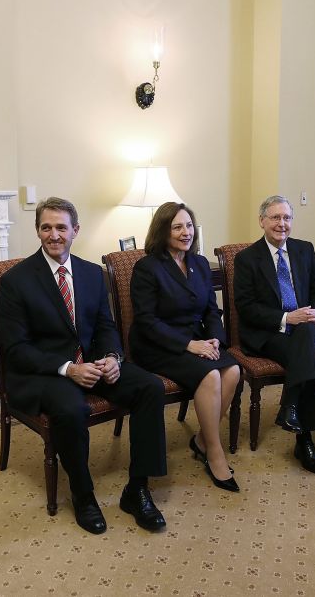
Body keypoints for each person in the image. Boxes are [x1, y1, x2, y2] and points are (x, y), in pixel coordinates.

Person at [0, 197, 169, 535]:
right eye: (46, 227)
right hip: (45, 372)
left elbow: (106, 326)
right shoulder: (16, 281)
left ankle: (137, 489)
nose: (54, 234)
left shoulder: (92, 273)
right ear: (37, 231)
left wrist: (112, 358)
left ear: (75, 230)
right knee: (71, 409)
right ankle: (83, 493)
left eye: (61, 227)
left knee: (150, 387)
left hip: (92, 362)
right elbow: (15, 349)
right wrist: (67, 368)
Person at [130, 202, 241, 493]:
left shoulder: (200, 263)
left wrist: (215, 338)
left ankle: (202, 440)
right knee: (211, 375)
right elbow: (146, 321)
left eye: (189, 225)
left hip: (197, 340)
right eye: (177, 226)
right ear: (163, 230)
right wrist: (190, 345)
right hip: (158, 345)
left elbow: (210, 311)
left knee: (232, 370)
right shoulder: (147, 267)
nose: (185, 232)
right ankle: (214, 452)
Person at [233, 195, 315, 476]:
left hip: (303, 328)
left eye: (287, 218)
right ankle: (305, 442)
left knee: (307, 333)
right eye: (275, 218)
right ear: (262, 221)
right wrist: (288, 317)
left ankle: (292, 413)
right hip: (268, 333)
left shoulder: (305, 249)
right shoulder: (247, 258)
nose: (281, 224)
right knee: (307, 358)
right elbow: (246, 308)